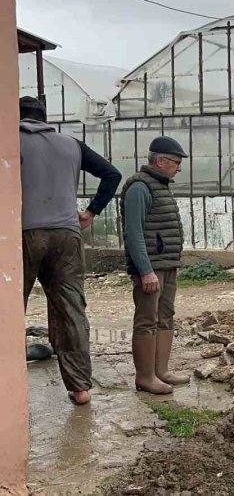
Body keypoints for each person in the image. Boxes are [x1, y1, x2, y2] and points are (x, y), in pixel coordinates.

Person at [19, 96, 122, 405]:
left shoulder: (10, 141)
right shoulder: (71, 144)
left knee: (10, 309)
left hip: (24, 233)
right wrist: (90, 212)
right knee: (70, 310)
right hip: (67, 233)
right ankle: (80, 388)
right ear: (44, 117)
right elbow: (112, 174)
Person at [121, 136, 190, 395]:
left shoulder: (160, 185)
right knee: (147, 320)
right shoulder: (140, 188)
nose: (179, 168)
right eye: (175, 162)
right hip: (151, 268)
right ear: (160, 160)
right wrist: (145, 270)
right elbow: (134, 232)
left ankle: (161, 371)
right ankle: (145, 377)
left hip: (167, 264)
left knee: (165, 317)